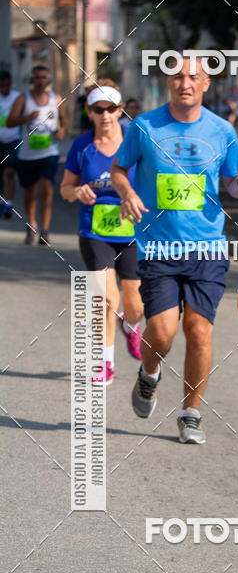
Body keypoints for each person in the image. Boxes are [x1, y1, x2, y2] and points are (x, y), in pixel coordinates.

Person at [111, 56, 238, 443]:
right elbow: (119, 169)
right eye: (177, 76)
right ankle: (149, 375)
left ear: (206, 84)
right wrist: (127, 193)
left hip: (208, 249)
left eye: (194, 77)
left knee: (198, 330)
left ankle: (190, 413)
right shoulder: (145, 126)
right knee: (160, 333)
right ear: (168, 82)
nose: (185, 83)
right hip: (158, 245)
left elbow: (232, 186)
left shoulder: (223, 131)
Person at [60, 80, 144, 385]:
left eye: (111, 109)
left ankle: (131, 326)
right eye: (99, 109)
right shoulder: (81, 146)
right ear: (90, 112)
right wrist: (77, 192)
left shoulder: (135, 142)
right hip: (94, 231)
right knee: (107, 299)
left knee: (135, 305)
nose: (105, 115)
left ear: (121, 110)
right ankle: (104, 362)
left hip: (133, 231)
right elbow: (65, 189)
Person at [6, 64, 67, 245]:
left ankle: (45, 230)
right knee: (30, 192)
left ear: (48, 80)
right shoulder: (23, 99)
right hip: (27, 153)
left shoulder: (56, 99)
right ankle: (31, 224)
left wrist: (62, 130)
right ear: (32, 80)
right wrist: (27, 118)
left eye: (43, 77)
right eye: (37, 77)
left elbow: (63, 120)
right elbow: (10, 122)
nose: (40, 81)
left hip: (49, 152)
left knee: (47, 188)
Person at [0, 70, 22, 220]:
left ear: (10, 84)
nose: (4, 88)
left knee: (9, 172)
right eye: (1, 86)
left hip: (13, 140)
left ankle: (9, 202)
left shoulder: (17, 98)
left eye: (6, 85)